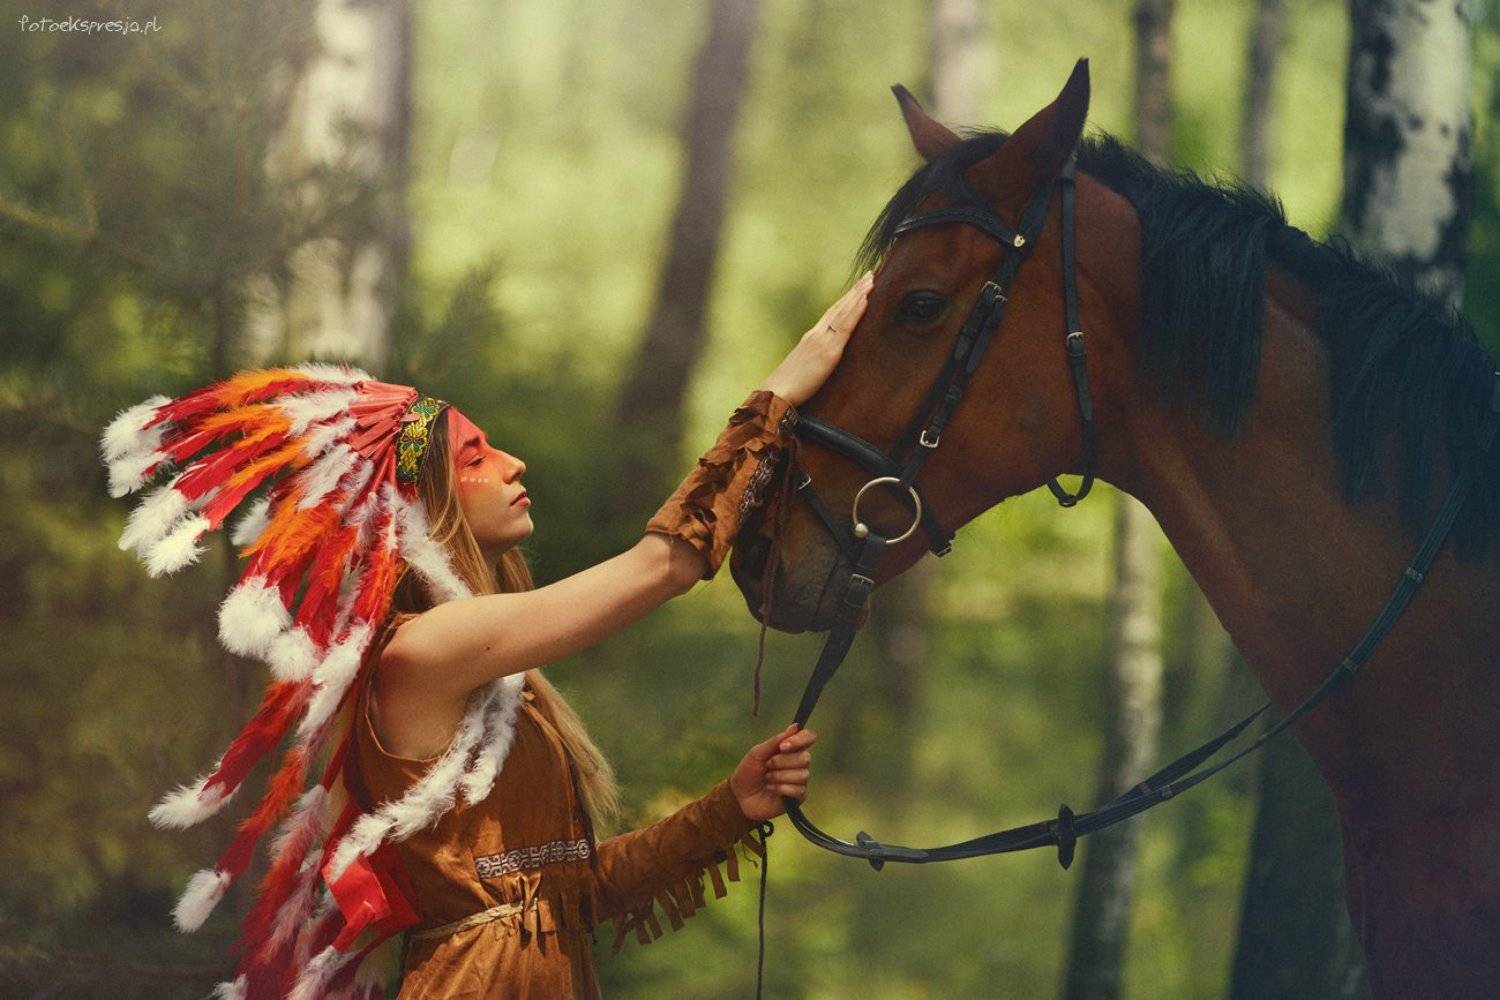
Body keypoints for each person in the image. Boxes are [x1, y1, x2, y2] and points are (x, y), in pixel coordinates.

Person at [100, 271, 873, 999]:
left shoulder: (498, 687)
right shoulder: (421, 651)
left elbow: (577, 893)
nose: (512, 463)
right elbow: (664, 567)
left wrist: (730, 806)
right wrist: (775, 400)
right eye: (476, 455)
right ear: (423, 504)